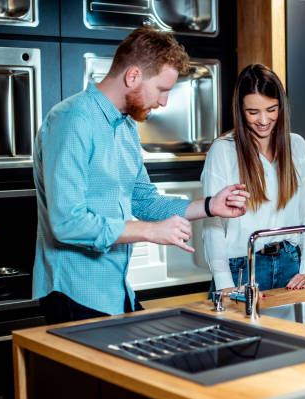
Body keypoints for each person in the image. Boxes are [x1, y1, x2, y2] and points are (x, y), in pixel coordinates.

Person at [33, 26, 249, 324]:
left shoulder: (126, 128)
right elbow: (67, 224)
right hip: (75, 293)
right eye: (162, 89)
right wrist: (149, 231)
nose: (164, 102)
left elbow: (145, 201)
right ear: (133, 76)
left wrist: (210, 205)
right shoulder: (71, 120)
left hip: (115, 290)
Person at [202, 64, 305, 296]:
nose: (263, 120)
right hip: (241, 268)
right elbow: (213, 224)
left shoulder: (297, 146)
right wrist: (224, 282)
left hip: (290, 265)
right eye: (253, 112)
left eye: (271, 109)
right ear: (240, 110)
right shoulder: (222, 150)